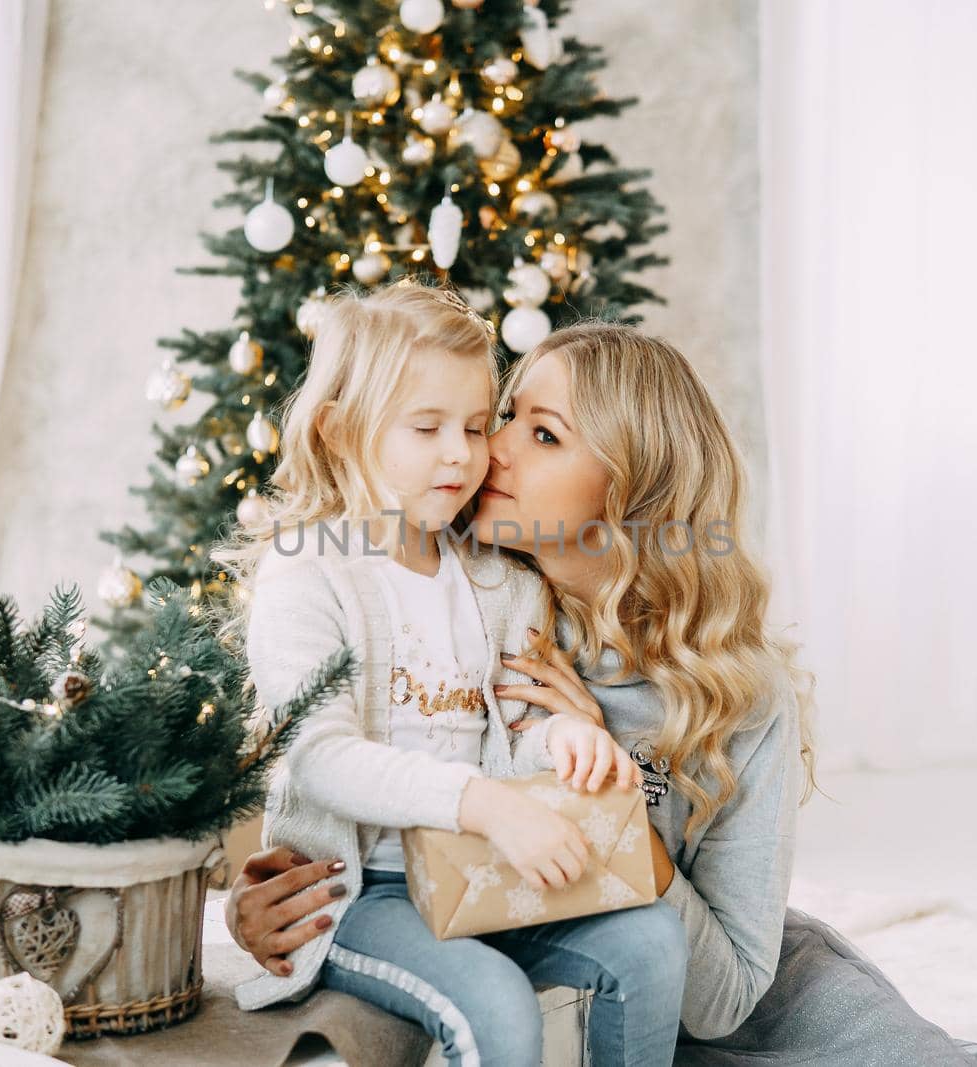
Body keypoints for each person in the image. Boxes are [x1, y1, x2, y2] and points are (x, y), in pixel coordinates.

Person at [227, 318, 977, 1067]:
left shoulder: (740, 697)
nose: (485, 450)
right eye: (500, 416)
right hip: (509, 949)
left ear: (630, 493)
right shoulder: (465, 595)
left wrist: (615, 808)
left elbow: (720, 998)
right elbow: (331, 751)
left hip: (726, 997)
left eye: (541, 434)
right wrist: (254, 905)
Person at [212, 284, 691, 1066]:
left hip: (486, 874)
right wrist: (485, 805)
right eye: (426, 427)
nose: (463, 455)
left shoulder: (502, 581)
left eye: (475, 426)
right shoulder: (309, 576)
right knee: (493, 1000)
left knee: (651, 941)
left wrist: (568, 739)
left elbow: (519, 724)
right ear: (340, 433)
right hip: (361, 895)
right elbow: (318, 755)